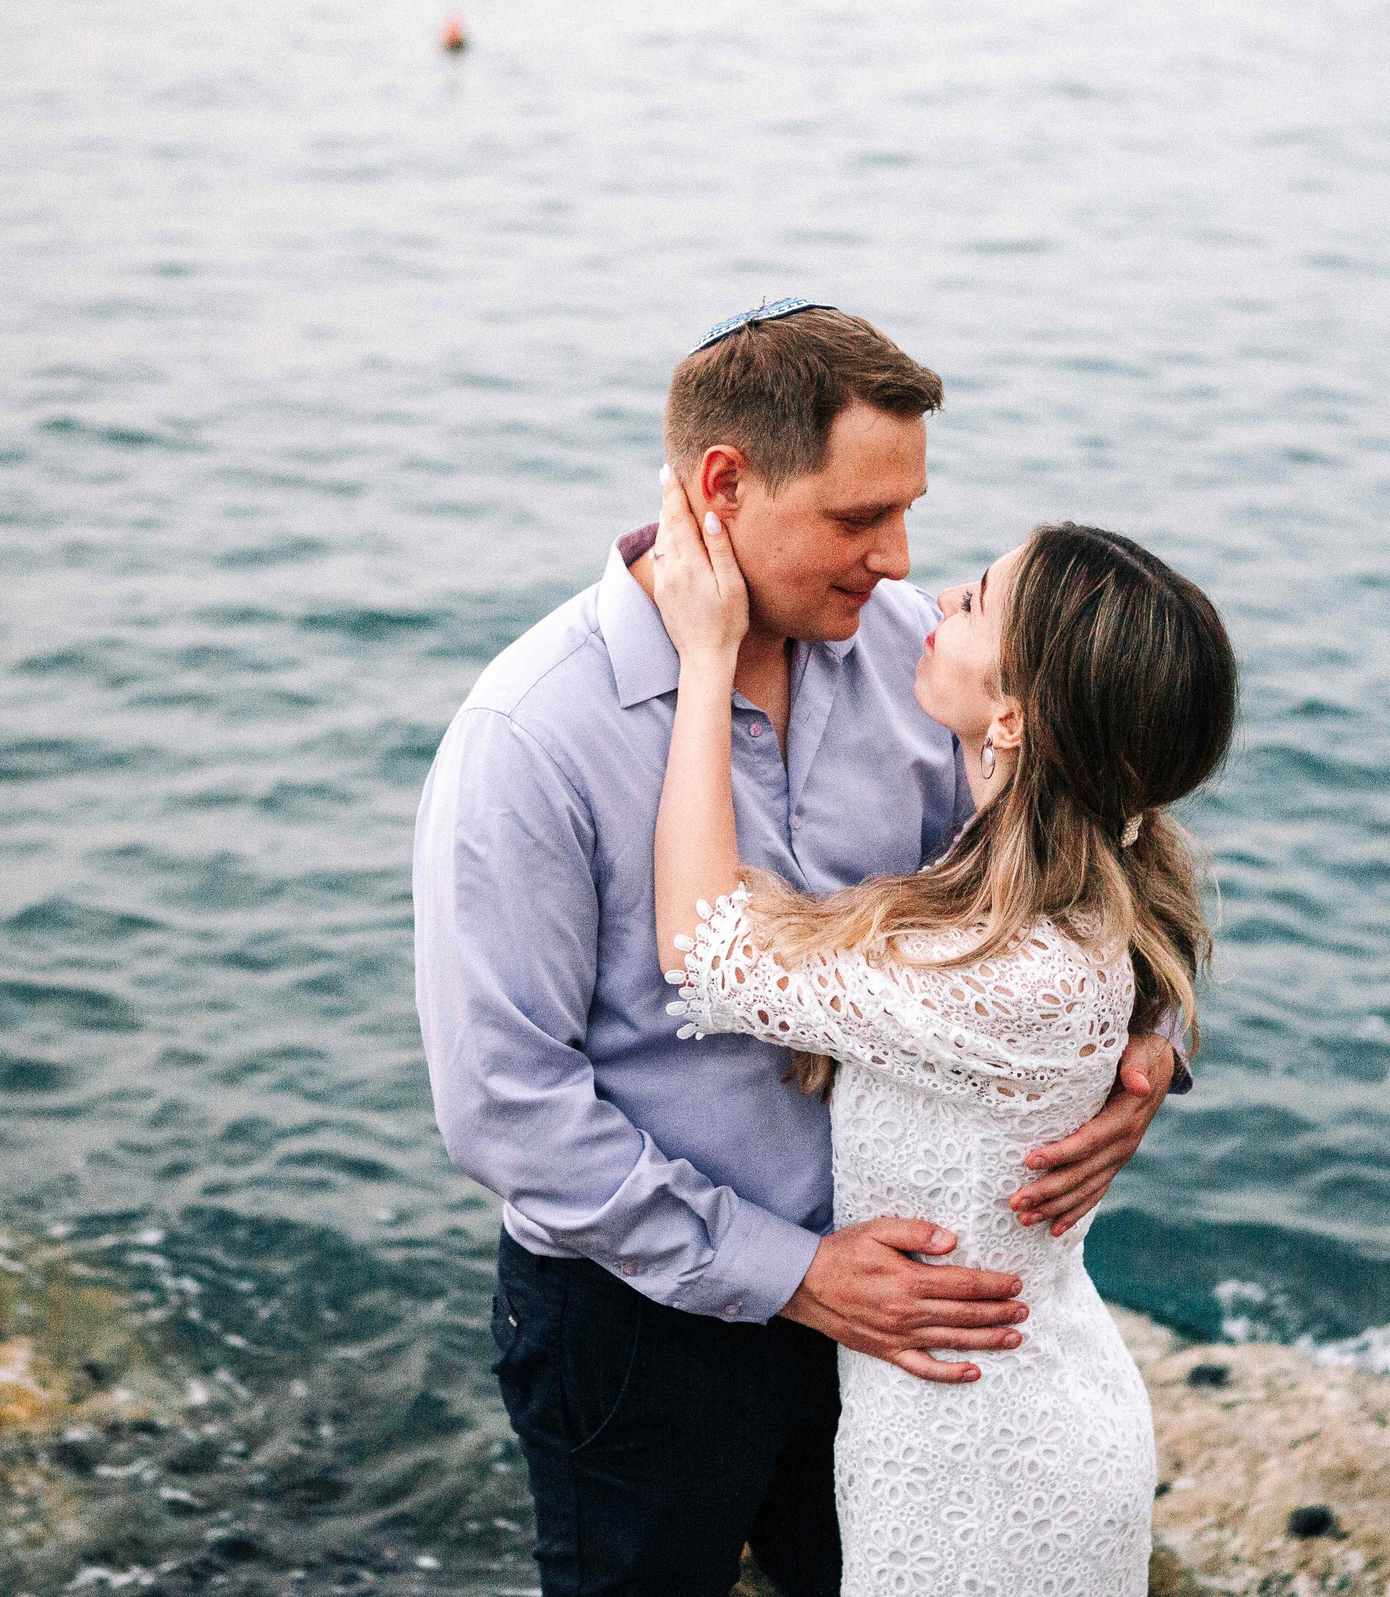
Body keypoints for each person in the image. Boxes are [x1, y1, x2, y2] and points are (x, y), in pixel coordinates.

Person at [412, 301, 1192, 1597]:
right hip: (641, 1327)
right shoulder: (529, 735)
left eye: (907, 512)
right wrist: (795, 1275)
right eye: (856, 517)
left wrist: (1142, 1049)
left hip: (892, 1319)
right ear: (723, 485)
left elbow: (1061, 870)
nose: (896, 560)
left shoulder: (912, 659)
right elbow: (505, 1108)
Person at [646, 473, 1236, 1597]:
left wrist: (706, 658)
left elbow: (706, 954)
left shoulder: (1012, 974)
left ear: (1012, 717)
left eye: (974, 603)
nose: (932, 595)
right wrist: (1152, 1041)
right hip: (980, 1416)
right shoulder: (1053, 891)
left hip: (986, 1466)